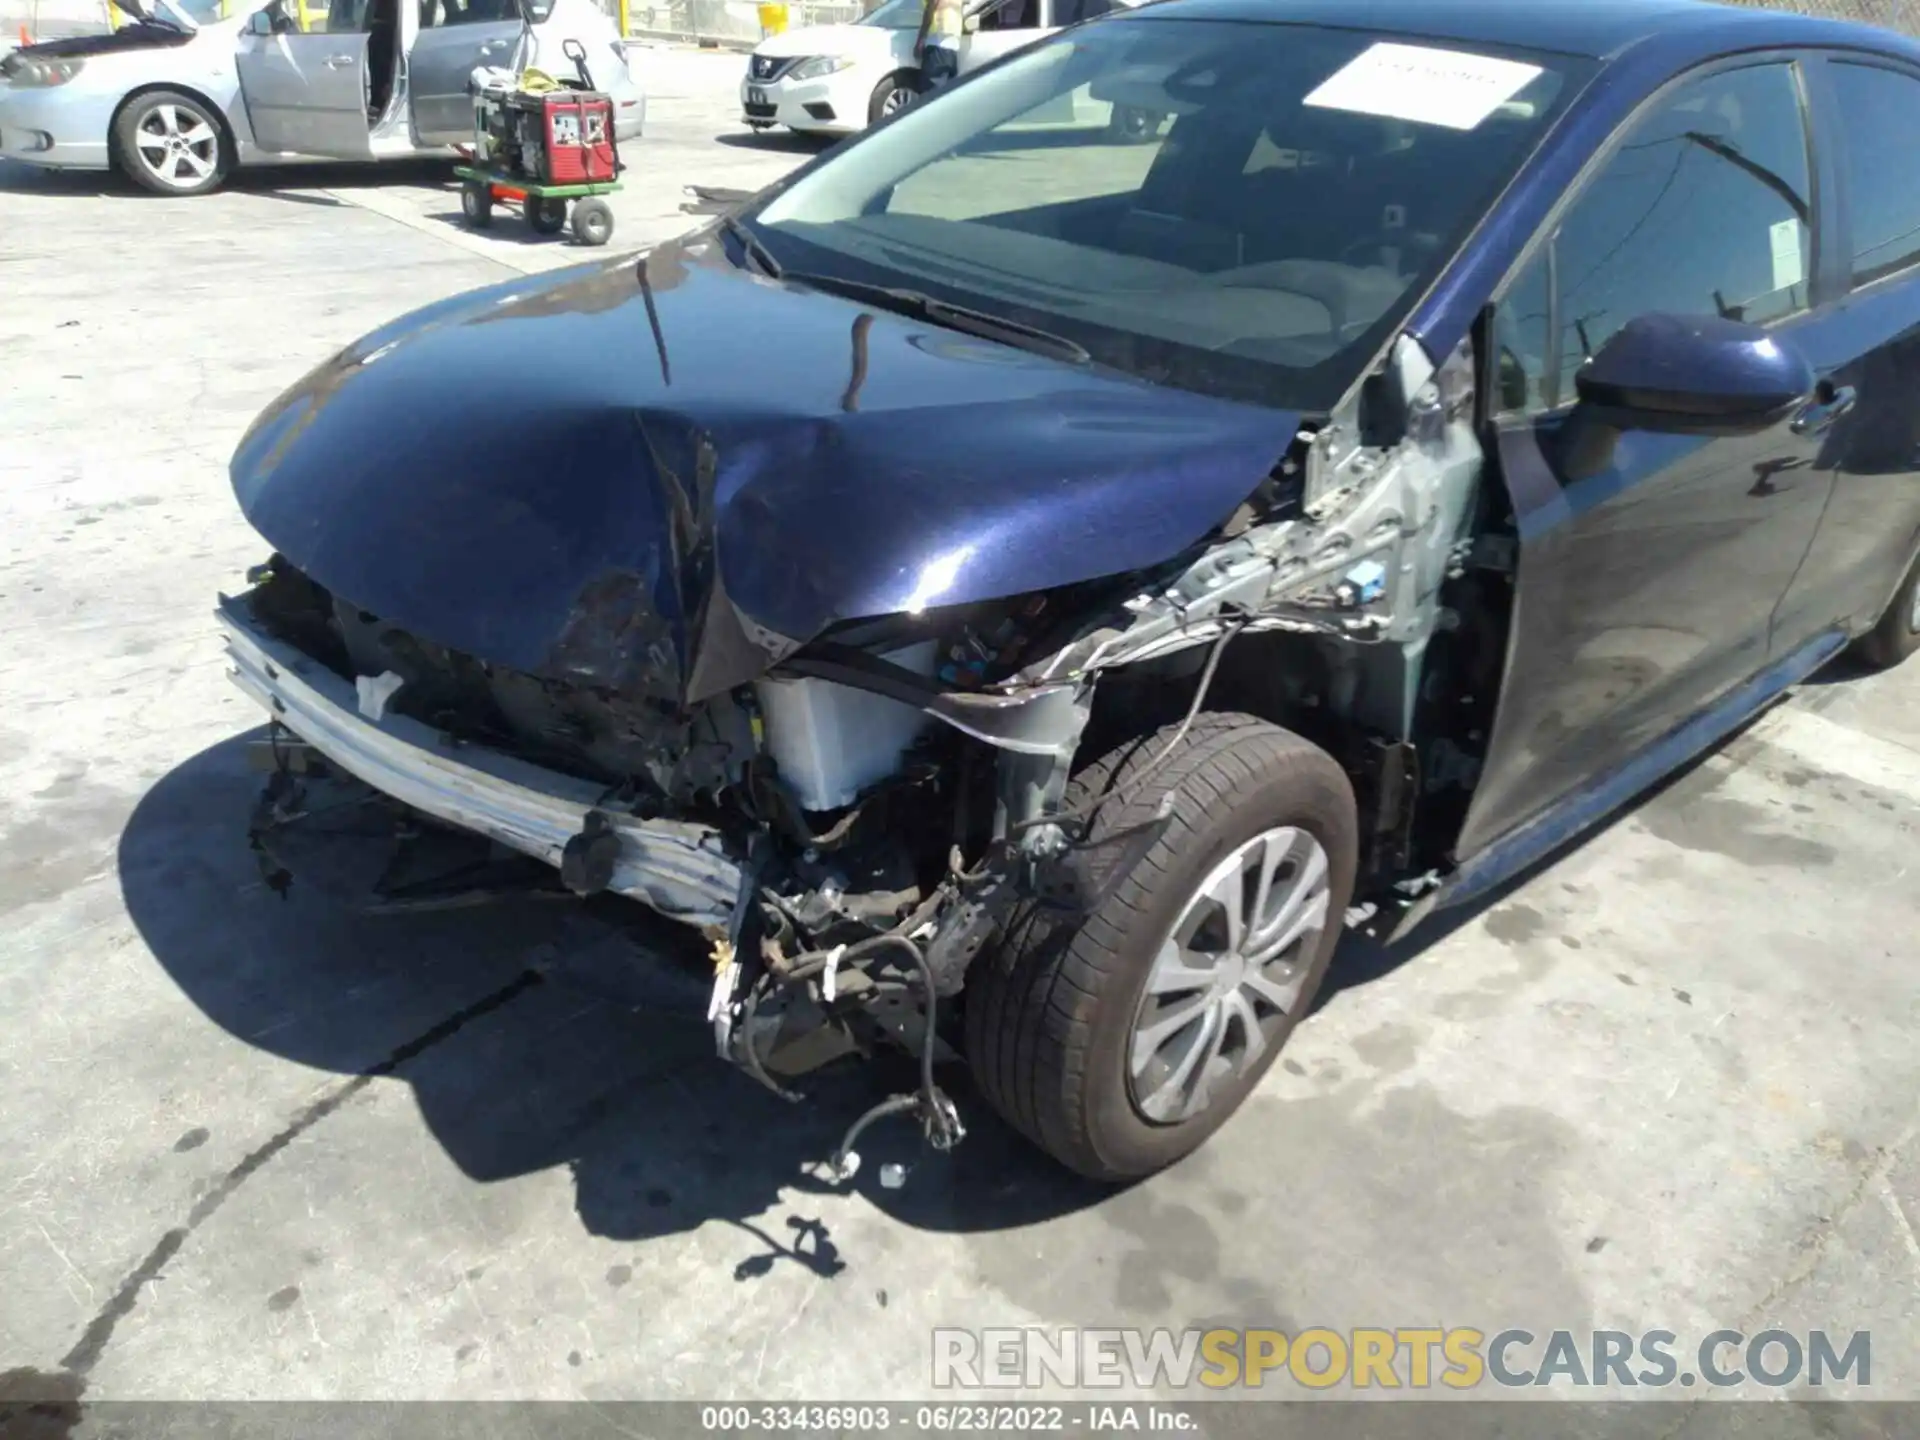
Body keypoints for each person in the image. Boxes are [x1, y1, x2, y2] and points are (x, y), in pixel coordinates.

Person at [913, 0, 963, 97]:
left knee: (930, 96)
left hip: (937, 43)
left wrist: (921, 39)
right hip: (953, 44)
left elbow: (932, 5)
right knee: (946, 96)